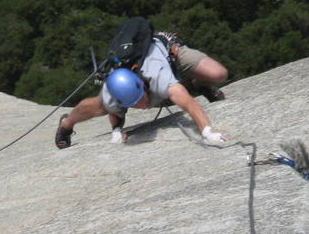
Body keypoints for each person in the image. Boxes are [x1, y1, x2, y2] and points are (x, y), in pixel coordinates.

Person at [55, 33, 228, 149]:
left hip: (168, 53)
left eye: (140, 98)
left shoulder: (159, 78)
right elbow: (115, 112)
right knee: (95, 107)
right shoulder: (113, 94)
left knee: (219, 74)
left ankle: (197, 83)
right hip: (126, 80)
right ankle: (66, 124)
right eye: (134, 104)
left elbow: (190, 105)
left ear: (143, 85)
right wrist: (116, 130)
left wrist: (207, 132)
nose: (142, 105)